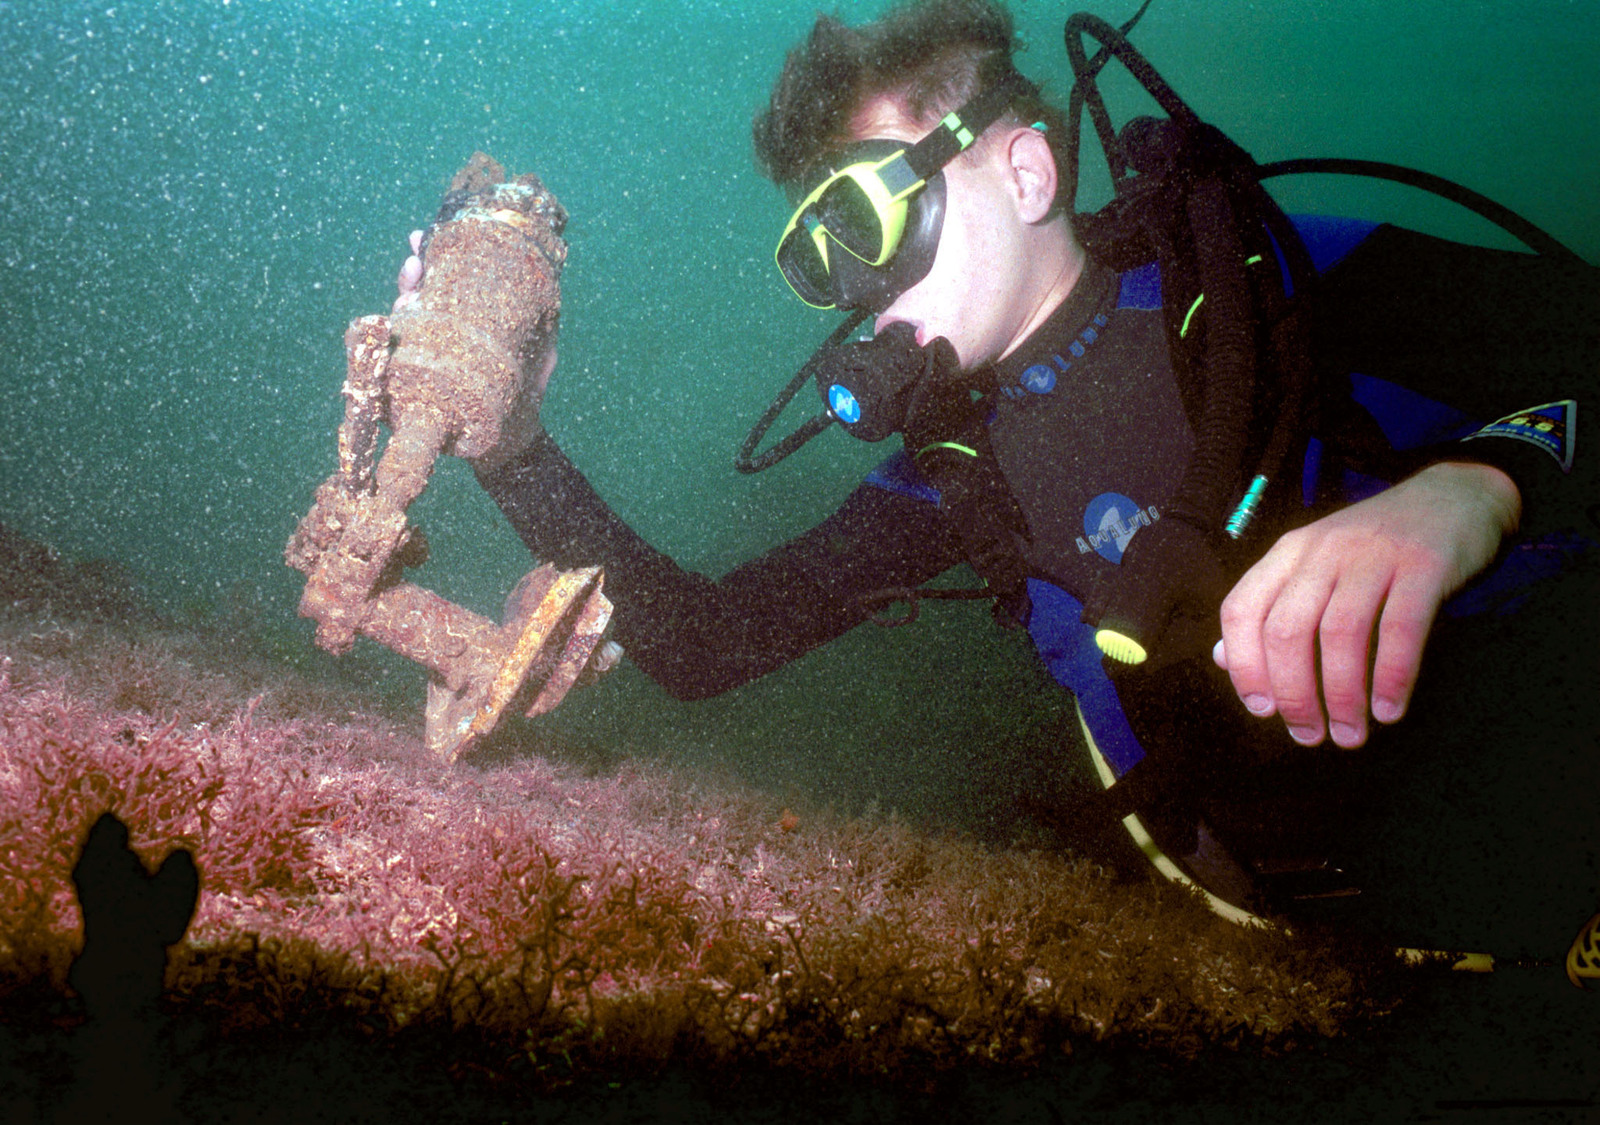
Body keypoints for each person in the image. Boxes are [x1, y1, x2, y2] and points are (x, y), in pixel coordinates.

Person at [394, 1, 1598, 960]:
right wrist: (513, 444)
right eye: (818, 258)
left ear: (1024, 173)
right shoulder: (953, 476)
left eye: (864, 220)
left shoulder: (1272, 279)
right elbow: (707, 643)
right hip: (1333, 930)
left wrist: (1472, 490)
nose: (858, 288)